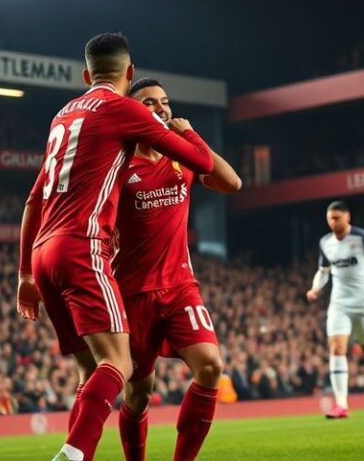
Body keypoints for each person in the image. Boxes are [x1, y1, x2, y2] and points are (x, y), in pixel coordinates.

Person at [16, 33, 215, 461]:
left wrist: (24, 274)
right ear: (130, 73)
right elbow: (201, 163)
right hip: (80, 247)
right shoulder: (124, 109)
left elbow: (35, 198)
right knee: (118, 365)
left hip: (42, 252)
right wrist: (189, 133)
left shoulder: (63, 116)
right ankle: (72, 454)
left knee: (89, 372)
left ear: (87, 75)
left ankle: (74, 449)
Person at [111, 78, 242, 461]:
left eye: (164, 102)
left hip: (181, 287)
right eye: (149, 102)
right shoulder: (119, 164)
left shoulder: (180, 157)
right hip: (132, 292)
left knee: (211, 365)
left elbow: (232, 183)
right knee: (138, 393)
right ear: (133, 111)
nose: (160, 108)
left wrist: (191, 135)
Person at [306, 201, 364, 419]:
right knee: (337, 348)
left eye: (337, 217)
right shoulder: (325, 243)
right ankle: (341, 404)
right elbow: (323, 271)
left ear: (348, 217)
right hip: (339, 304)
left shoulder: (362, 237)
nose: (333, 222)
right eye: (330, 218)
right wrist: (314, 288)